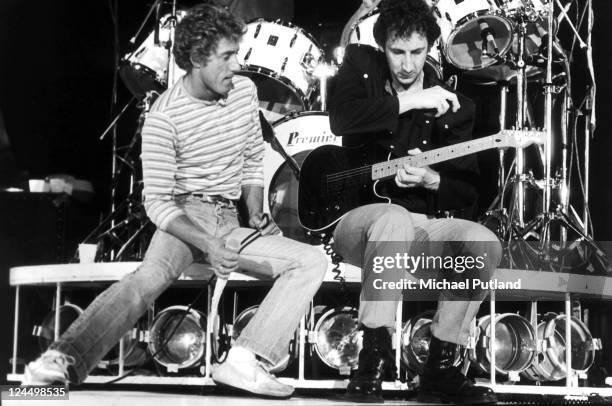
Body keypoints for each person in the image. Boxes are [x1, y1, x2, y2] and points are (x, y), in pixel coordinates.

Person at [22, 4, 328, 399]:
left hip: (230, 219)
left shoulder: (244, 91)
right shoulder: (165, 117)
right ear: (198, 58)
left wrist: (254, 209)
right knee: (148, 279)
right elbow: (159, 204)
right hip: (186, 219)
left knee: (310, 260)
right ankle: (59, 361)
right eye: (227, 56)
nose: (237, 65)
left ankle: (246, 359)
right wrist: (207, 244)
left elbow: (253, 156)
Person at [328, 0, 502, 404]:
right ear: (382, 47)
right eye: (397, 52)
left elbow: (469, 191)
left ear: (431, 49)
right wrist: (413, 101)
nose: (407, 64)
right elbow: (341, 119)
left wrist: (433, 178)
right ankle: (370, 362)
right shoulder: (361, 65)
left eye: (417, 52)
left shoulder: (455, 105)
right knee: (393, 221)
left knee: (482, 242)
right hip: (359, 222)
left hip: (422, 226)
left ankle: (441, 367)